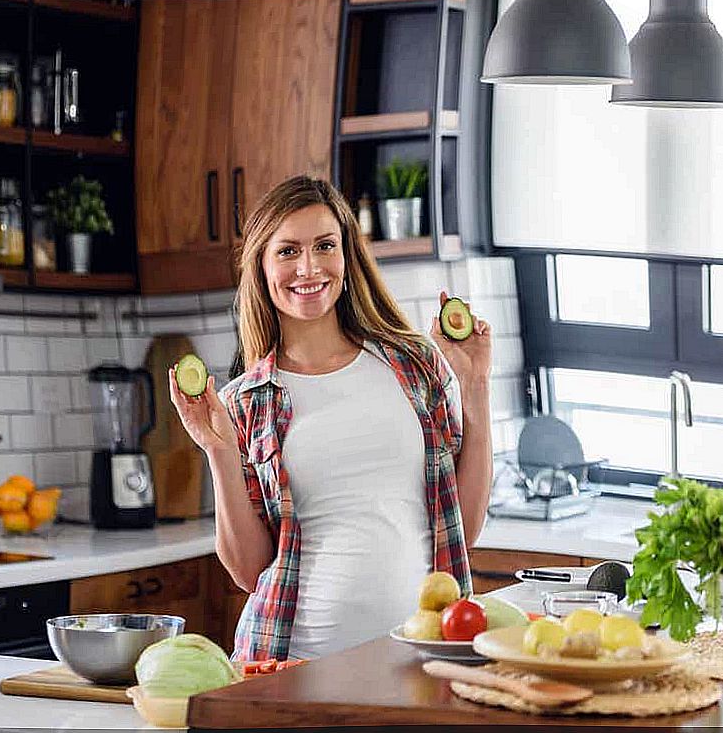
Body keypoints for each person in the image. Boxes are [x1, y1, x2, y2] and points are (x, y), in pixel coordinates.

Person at [168, 175, 493, 661]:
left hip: (419, 659)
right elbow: (248, 569)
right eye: (287, 251)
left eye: (325, 246)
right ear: (261, 264)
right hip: (292, 662)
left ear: (347, 256)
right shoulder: (244, 401)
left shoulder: (414, 366)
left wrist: (476, 386)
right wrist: (218, 452)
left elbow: (462, 531)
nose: (309, 267)